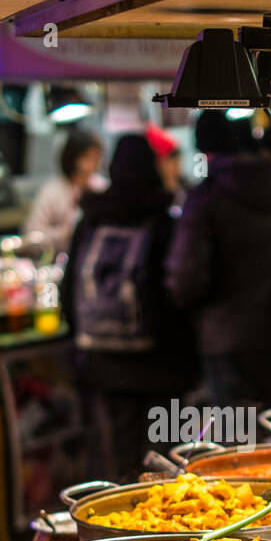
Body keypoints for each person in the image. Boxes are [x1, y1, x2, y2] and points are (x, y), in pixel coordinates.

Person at [165, 112, 271, 412]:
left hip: (227, 341)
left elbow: (184, 279)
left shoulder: (204, 199)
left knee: (240, 444)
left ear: (207, 151)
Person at [61, 134, 198, 482]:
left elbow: (69, 293)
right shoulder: (165, 222)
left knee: (117, 469)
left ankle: (119, 529)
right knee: (165, 466)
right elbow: (178, 295)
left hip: (103, 367)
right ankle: (169, 532)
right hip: (160, 367)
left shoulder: (90, 221)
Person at [23, 129, 105, 254]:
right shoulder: (52, 191)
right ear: (73, 158)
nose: (94, 164)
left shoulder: (101, 187)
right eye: (89, 158)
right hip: (58, 259)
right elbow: (32, 235)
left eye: (96, 157)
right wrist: (64, 234)